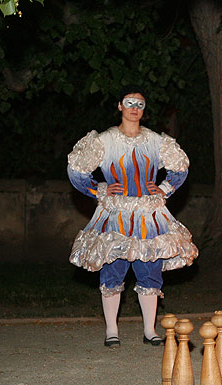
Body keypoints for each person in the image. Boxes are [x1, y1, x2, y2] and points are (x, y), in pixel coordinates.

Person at [67, 86, 198, 348]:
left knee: (149, 269)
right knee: (112, 268)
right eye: (129, 103)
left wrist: (163, 189)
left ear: (144, 110)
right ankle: (111, 331)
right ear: (119, 106)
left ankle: (150, 330)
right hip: (114, 214)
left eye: (139, 105)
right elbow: (77, 170)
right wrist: (98, 189)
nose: (134, 108)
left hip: (148, 215)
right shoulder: (104, 140)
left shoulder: (155, 140)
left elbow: (180, 168)